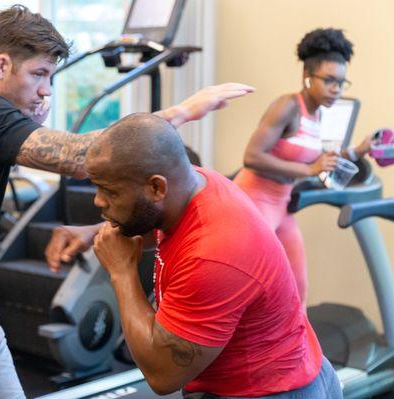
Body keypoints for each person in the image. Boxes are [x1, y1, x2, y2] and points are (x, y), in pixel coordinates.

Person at [0, 5, 254, 398]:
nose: (46, 89)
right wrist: (181, 112)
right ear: (0, 65)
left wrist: (28, 119)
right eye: (39, 75)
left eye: (50, 76)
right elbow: (83, 157)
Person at [45, 113, 341, 398]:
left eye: (109, 192)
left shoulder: (212, 255)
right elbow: (152, 220)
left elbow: (163, 376)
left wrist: (122, 273)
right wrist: (95, 230)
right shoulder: (194, 182)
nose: (98, 200)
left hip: (267, 392)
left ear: (157, 187)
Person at [233, 28, 372, 308]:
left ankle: (295, 351)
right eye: (329, 81)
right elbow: (252, 156)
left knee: (297, 287)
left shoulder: (317, 112)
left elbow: (315, 159)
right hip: (253, 200)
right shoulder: (287, 106)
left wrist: (357, 150)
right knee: (250, 288)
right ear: (307, 77)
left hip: (282, 205)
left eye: (342, 83)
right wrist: (309, 171)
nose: (337, 89)